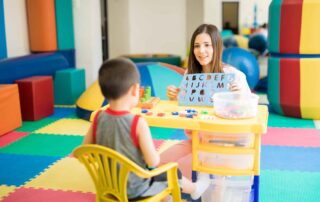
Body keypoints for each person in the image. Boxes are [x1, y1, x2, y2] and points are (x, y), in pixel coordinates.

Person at [82, 57, 210, 200]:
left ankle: (167, 196)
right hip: (137, 190)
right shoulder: (137, 123)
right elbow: (153, 162)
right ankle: (195, 189)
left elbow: (85, 150)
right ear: (134, 90)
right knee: (171, 173)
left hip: (107, 187)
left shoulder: (97, 117)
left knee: (159, 179)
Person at [162, 24, 251, 179]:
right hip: (196, 140)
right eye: (196, 46)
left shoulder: (234, 75)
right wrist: (175, 96)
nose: (201, 51)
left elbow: (250, 110)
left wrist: (239, 97)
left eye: (207, 45)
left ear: (217, 47)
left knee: (180, 171)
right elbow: (185, 109)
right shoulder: (191, 75)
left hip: (223, 144)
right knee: (158, 165)